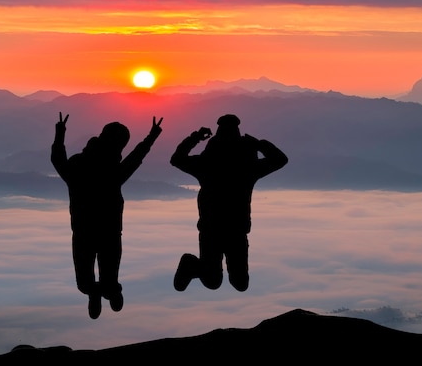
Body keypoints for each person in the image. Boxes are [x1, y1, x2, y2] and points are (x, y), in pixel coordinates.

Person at [51, 112, 163, 319]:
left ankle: (99, 293)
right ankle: (109, 292)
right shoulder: (113, 171)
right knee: (108, 277)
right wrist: (151, 137)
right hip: (109, 233)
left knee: (85, 281)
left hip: (83, 232)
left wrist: (60, 134)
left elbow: (57, 160)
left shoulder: (78, 164)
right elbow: (136, 158)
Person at [170, 114, 288, 292]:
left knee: (235, 283)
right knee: (219, 282)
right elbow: (280, 159)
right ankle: (190, 263)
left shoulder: (208, 164)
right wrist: (258, 144)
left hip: (225, 231)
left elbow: (177, 159)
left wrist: (196, 138)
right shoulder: (247, 167)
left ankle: (192, 264)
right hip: (221, 231)